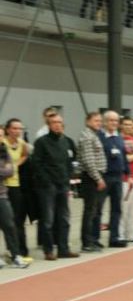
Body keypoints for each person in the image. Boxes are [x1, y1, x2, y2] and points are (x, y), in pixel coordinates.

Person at [32, 113, 79, 260]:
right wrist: (47, 181)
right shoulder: (41, 142)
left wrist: (69, 177)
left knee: (64, 218)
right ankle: (48, 250)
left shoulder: (68, 141)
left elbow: (73, 161)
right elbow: (37, 164)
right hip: (47, 187)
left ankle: (64, 249)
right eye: (54, 122)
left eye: (59, 122)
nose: (57, 125)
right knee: (48, 220)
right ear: (48, 125)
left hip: (63, 185)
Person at [97, 110, 132, 248]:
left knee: (117, 208)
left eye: (116, 121)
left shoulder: (119, 138)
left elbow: (124, 157)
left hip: (118, 177)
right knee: (98, 209)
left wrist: (128, 175)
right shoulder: (99, 137)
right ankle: (94, 238)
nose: (113, 123)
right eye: (111, 120)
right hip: (104, 177)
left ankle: (114, 237)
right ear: (105, 122)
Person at [0, 125, 30, 269]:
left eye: (1, 136)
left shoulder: (3, 150)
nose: (0, 138)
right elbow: (5, 170)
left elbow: (10, 170)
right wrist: (4, 169)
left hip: (2, 194)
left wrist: (5, 169)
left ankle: (16, 256)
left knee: (10, 224)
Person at [77, 111, 107, 252]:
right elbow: (89, 161)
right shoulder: (87, 137)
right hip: (91, 178)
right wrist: (98, 179)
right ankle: (86, 243)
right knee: (90, 211)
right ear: (87, 121)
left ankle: (92, 240)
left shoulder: (94, 135)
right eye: (96, 121)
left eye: (100, 121)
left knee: (94, 210)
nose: (99, 123)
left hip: (95, 176)